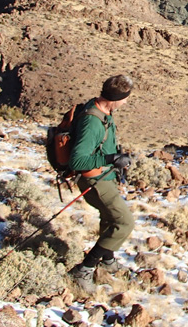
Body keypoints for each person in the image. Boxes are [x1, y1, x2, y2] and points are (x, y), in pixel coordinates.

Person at [67, 74, 135, 291]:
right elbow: (77, 160)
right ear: (115, 98)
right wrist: (110, 159)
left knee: (108, 218)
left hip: (104, 176)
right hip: (94, 180)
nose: (126, 102)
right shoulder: (93, 122)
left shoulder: (103, 110)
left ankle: (107, 260)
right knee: (124, 223)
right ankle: (84, 269)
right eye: (125, 98)